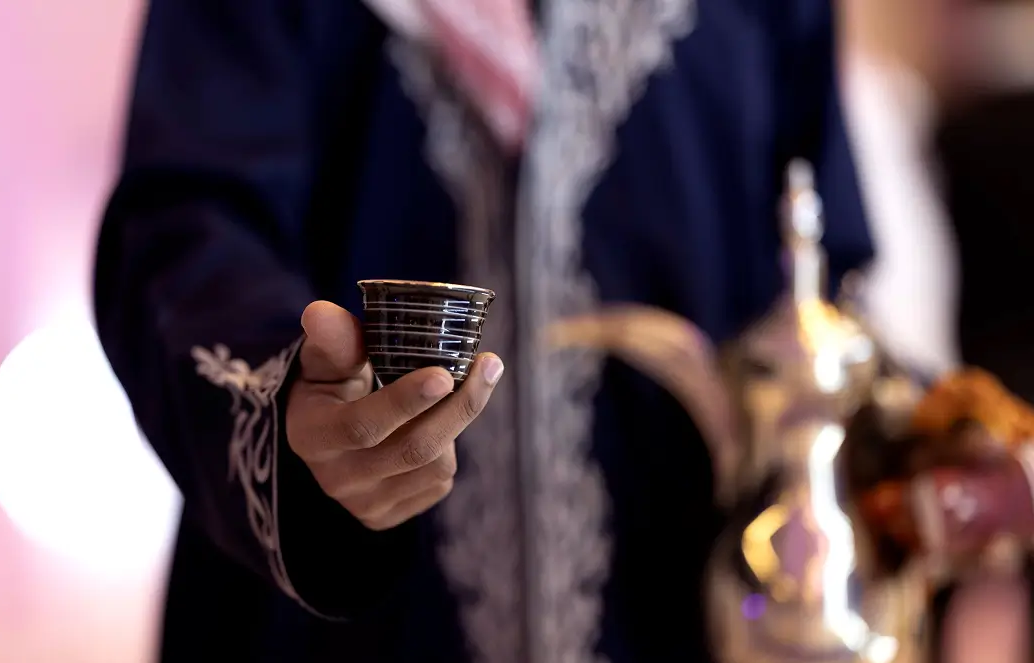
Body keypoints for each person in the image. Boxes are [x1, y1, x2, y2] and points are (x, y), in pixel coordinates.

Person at [93, 0, 874, 661]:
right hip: (336, 624)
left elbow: (822, 280)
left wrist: (925, 452)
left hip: (675, 604)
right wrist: (297, 415)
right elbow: (184, 230)